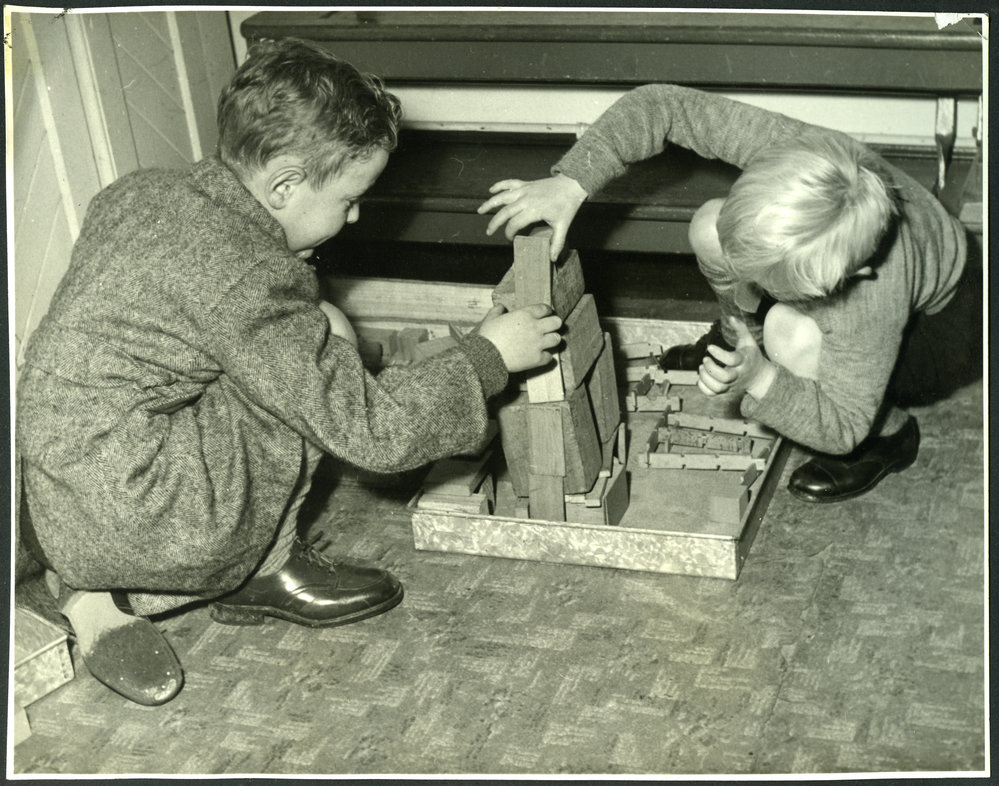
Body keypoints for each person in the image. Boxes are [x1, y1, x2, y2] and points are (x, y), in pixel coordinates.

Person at [16, 38, 562, 706]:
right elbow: (373, 432)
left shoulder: (140, 192)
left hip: (49, 482)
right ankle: (258, 572)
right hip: (142, 512)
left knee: (297, 336)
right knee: (318, 348)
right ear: (282, 185)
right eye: (349, 199)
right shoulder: (249, 276)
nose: (355, 215)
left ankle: (84, 580)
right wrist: (489, 356)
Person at [478, 83, 980, 506]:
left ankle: (890, 433)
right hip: (855, 275)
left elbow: (843, 422)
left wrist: (762, 378)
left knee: (791, 334)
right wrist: (573, 182)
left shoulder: (870, 295)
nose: (742, 277)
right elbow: (662, 104)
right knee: (709, 226)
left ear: (836, 281)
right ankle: (740, 333)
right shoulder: (793, 151)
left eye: (762, 277)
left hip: (940, 329)